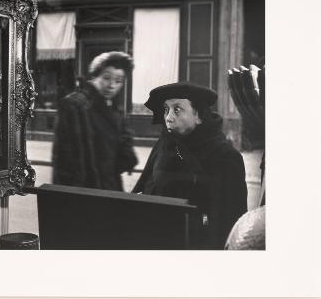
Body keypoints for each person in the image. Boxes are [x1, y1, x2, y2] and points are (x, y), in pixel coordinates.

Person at [132, 82, 247, 249]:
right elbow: (145, 186)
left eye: (177, 110)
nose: (168, 118)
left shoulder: (225, 157)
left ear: (198, 115)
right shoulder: (165, 144)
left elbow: (231, 222)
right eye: (166, 110)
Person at [52, 51, 138, 191]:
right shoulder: (74, 105)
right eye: (106, 78)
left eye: (118, 81)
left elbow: (120, 150)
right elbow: (64, 163)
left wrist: (127, 154)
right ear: (94, 76)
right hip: (84, 193)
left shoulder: (113, 108)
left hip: (110, 188)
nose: (112, 85)